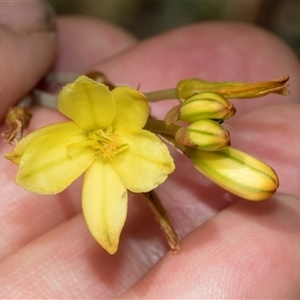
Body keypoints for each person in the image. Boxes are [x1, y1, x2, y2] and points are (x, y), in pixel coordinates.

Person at [0, 1, 300, 298]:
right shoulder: (101, 99)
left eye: (105, 139)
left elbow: (136, 123)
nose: (105, 142)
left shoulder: (126, 108)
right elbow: (95, 100)